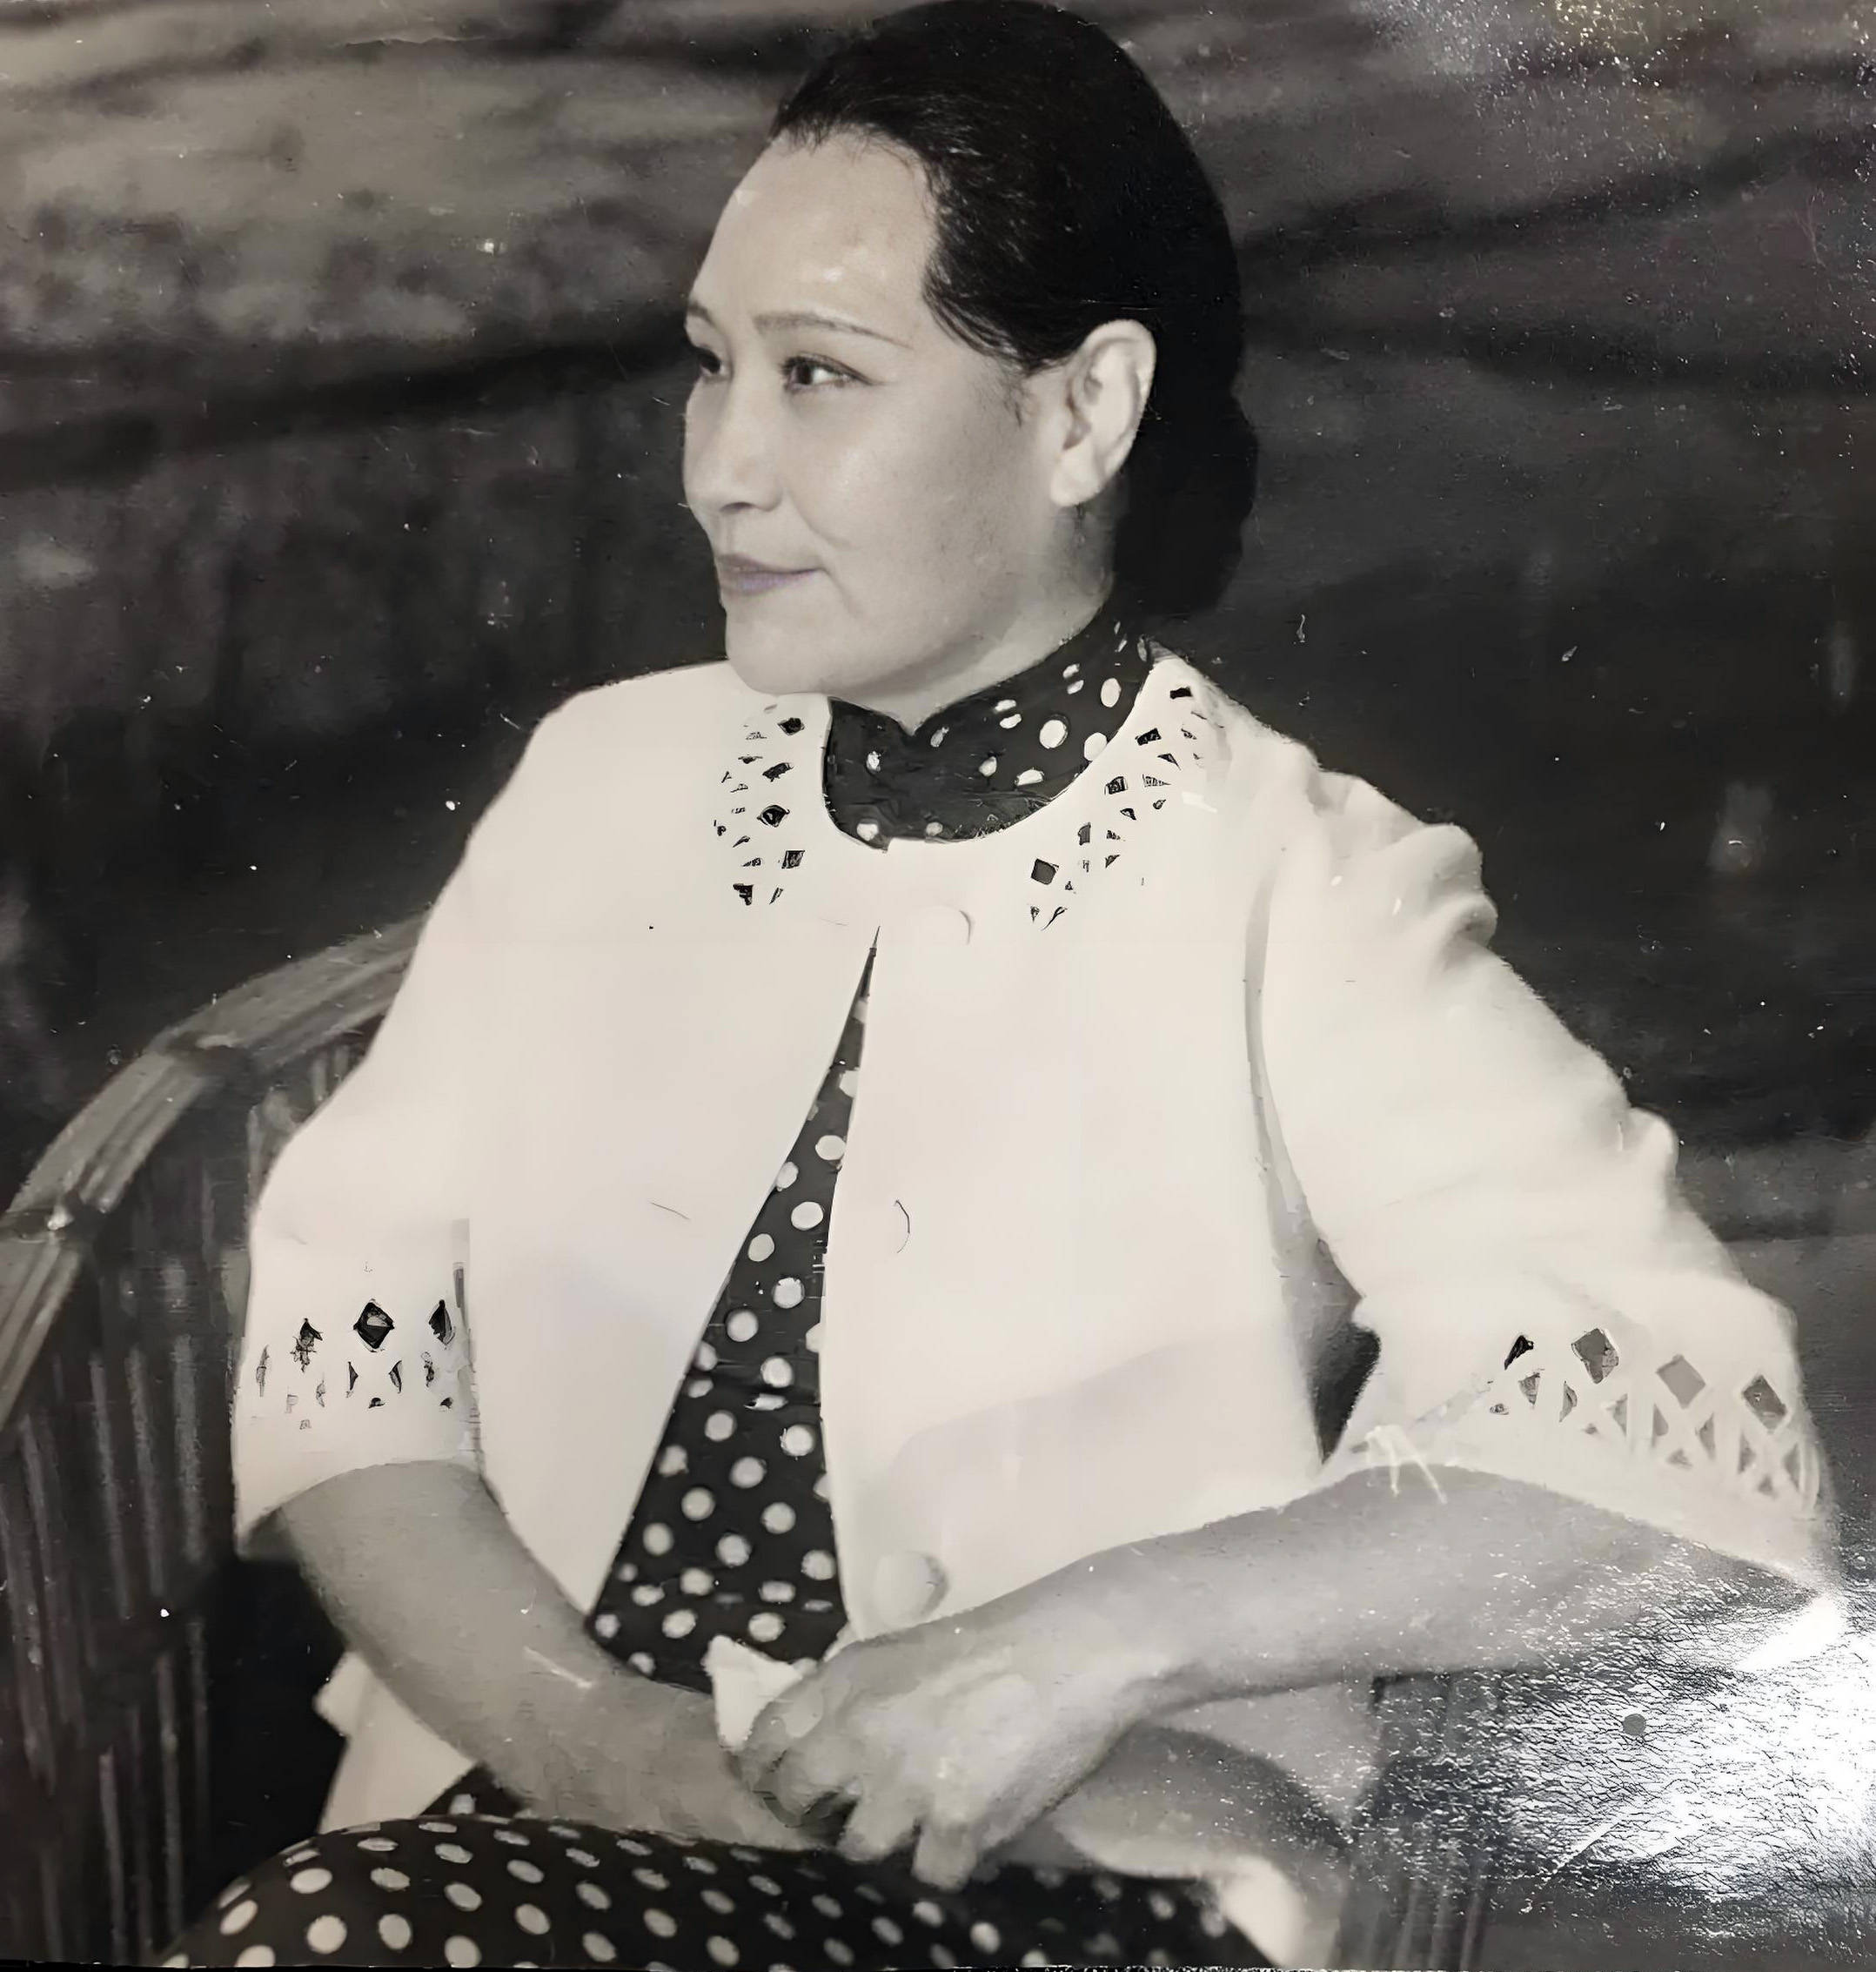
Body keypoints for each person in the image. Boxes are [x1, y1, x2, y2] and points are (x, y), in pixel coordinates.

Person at [163, 3, 1833, 1966]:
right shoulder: (600, 788)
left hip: (1061, 1889)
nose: (722, 468)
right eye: (709, 365)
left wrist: (1090, 1637)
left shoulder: (1302, 889)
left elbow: (1683, 1472)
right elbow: (352, 1356)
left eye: (818, 375)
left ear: (1082, 415)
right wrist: (585, 1737)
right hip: (521, 1828)